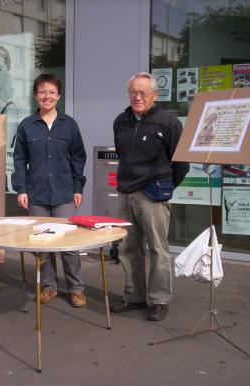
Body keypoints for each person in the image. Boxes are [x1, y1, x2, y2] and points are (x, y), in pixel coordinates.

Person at [110, 72, 188, 321]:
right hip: (126, 194)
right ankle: (135, 296)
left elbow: (181, 164)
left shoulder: (168, 123)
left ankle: (159, 300)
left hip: (153, 195)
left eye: (143, 92)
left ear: (155, 94)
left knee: (157, 249)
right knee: (128, 248)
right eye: (133, 92)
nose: (137, 97)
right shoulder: (120, 121)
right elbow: (124, 156)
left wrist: (165, 187)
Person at [12, 73, 87, 308]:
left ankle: (76, 289)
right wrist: (21, 189)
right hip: (37, 194)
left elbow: (78, 158)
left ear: (59, 96)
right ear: (36, 95)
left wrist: (77, 186)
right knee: (43, 244)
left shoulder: (69, 125)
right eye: (43, 92)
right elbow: (19, 159)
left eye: (52, 92)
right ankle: (49, 286)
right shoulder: (26, 125)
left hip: (65, 192)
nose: (47, 96)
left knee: (68, 245)